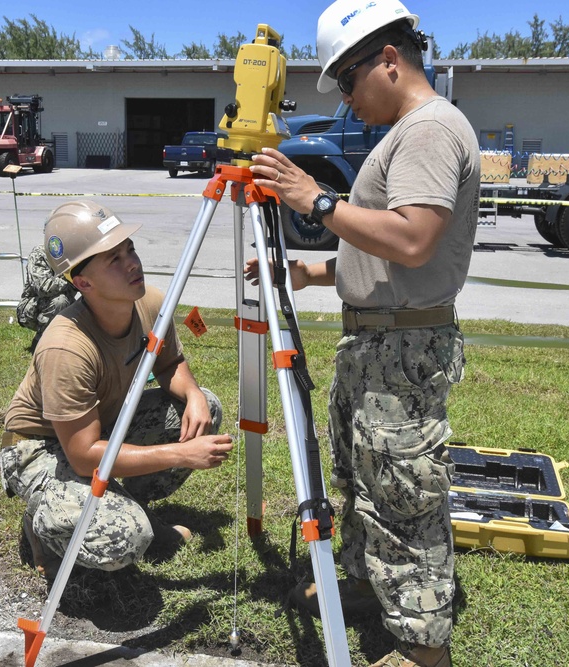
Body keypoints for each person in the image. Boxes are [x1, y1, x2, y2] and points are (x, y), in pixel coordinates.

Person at [245, 2, 480, 666]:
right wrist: (311, 273)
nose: (345, 100)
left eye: (347, 81)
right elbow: (376, 251)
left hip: (400, 352)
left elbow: (411, 239)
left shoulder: (430, 130)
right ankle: (366, 585)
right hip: (375, 345)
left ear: (388, 59)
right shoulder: (408, 131)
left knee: (403, 496)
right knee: (366, 483)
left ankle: (420, 646)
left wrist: (314, 199)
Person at [0, 200, 233, 579]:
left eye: (130, 250)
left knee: (206, 405)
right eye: (114, 259)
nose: (132, 264)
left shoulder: (151, 303)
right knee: (124, 538)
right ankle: (45, 522)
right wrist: (181, 454)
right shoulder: (66, 345)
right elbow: (82, 455)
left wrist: (191, 395)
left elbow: (170, 363)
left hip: (98, 427)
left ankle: (122, 504)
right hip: (38, 448)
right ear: (83, 282)